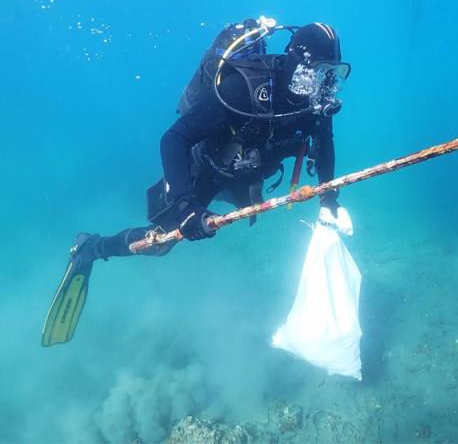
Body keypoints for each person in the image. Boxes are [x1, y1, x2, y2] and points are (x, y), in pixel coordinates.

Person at [42, 18, 351, 346]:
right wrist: (187, 206)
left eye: (331, 72)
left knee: (242, 199)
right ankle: (91, 247)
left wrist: (329, 200)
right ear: (295, 63)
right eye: (316, 71)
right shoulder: (243, 91)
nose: (323, 83)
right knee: (160, 242)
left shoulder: (314, 105)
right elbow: (173, 139)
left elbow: (325, 144)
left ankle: (236, 194)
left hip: (248, 173)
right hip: (206, 171)